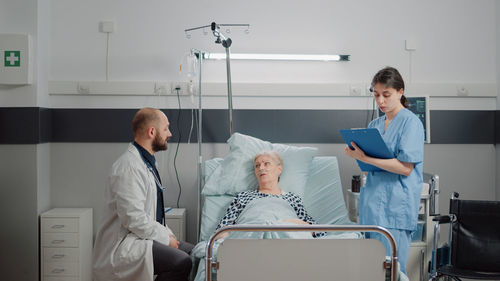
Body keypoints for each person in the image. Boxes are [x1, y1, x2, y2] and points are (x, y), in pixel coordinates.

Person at [93, 108, 194, 281]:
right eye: (166, 128)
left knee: (195, 253)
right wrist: (166, 238)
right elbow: (133, 218)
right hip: (123, 246)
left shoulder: (146, 162)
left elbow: (149, 216)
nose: (169, 133)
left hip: (139, 237)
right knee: (181, 262)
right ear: (152, 132)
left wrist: (168, 235)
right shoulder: (129, 167)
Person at [344, 66, 424, 274]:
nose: (380, 101)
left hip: (395, 208)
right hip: (372, 206)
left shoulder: (411, 123)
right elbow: (371, 166)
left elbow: (405, 168)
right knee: (372, 271)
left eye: (386, 95)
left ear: (400, 92)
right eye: (376, 95)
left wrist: (365, 157)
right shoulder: (375, 124)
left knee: (392, 272)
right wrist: (358, 156)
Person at [216, 150, 324, 238]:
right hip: (250, 240)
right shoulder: (243, 197)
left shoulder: (292, 198)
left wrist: (286, 224)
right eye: (257, 166)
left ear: (279, 169)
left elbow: (316, 231)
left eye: (266, 164)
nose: (261, 168)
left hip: (286, 240)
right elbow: (221, 231)